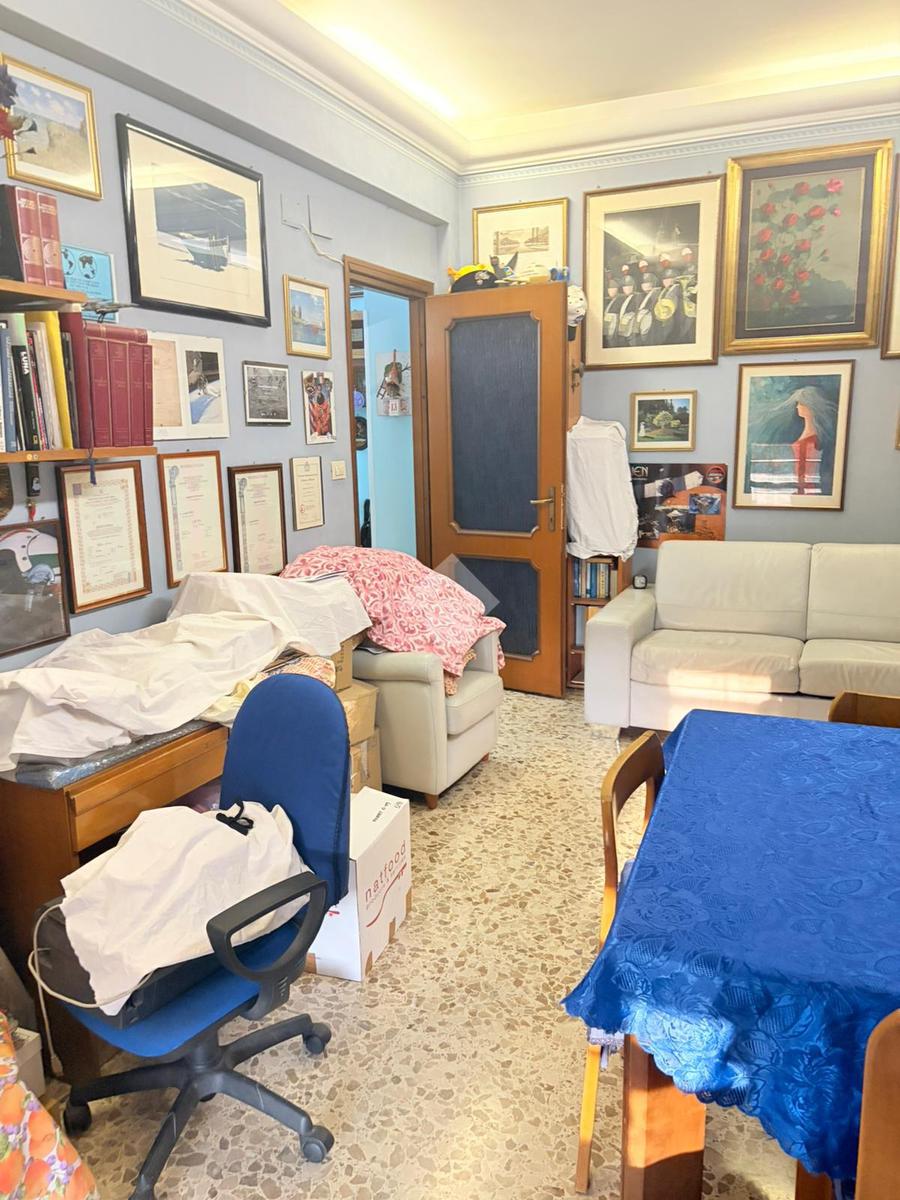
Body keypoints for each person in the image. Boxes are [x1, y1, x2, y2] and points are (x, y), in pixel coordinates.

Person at [748, 385, 838, 495]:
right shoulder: (810, 437)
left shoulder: (811, 441)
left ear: (810, 407)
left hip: (805, 492)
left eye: (801, 404)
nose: (797, 407)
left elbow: (806, 473)